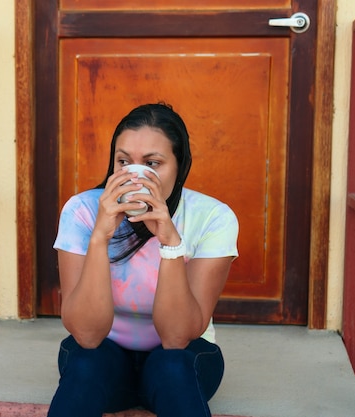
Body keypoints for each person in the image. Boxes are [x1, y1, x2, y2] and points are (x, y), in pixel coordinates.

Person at [47, 103, 239, 417]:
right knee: (85, 361)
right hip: (106, 356)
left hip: (181, 359)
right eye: (123, 161)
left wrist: (170, 242)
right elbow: (86, 333)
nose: (135, 176)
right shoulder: (81, 211)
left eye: (153, 163)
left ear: (180, 167)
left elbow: (178, 336)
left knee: (171, 366)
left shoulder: (213, 217)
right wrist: (100, 237)